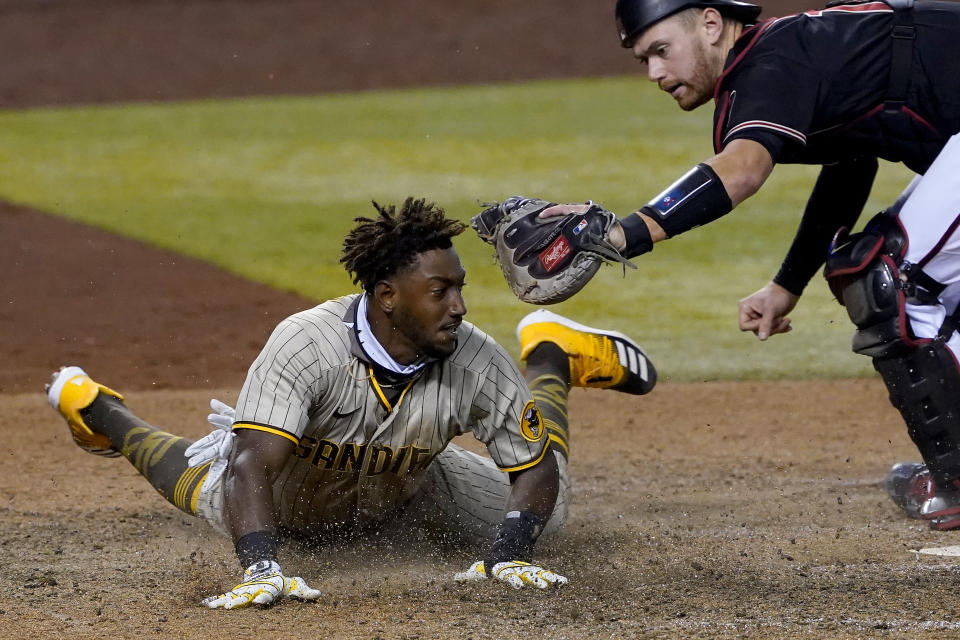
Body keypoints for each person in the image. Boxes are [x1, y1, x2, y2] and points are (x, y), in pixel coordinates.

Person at [45, 197, 656, 608]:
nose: (460, 307)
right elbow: (250, 464)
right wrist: (262, 568)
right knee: (201, 480)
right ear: (388, 296)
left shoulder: (473, 357)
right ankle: (98, 409)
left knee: (555, 506)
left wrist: (508, 554)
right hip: (283, 488)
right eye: (439, 292)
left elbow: (533, 467)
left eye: (460, 289)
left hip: (420, 490)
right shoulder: (308, 344)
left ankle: (551, 355)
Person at [539, 0, 960, 529]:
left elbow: (740, 172)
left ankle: (957, 475)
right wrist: (788, 284)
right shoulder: (791, 56)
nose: (654, 73)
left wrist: (623, 233)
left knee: (884, 275)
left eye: (662, 51)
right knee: (935, 289)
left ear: (711, 24)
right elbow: (852, 162)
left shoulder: (769, 61)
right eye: (643, 60)